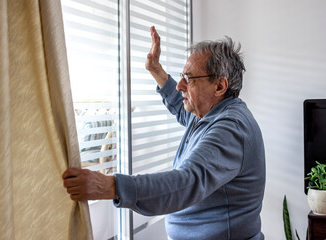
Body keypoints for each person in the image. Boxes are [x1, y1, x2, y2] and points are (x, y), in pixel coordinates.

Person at [63, 26, 266, 240]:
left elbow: (185, 182)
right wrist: (155, 69)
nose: (180, 86)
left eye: (189, 78)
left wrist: (109, 186)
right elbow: (182, 108)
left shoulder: (230, 128)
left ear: (219, 86)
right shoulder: (208, 115)